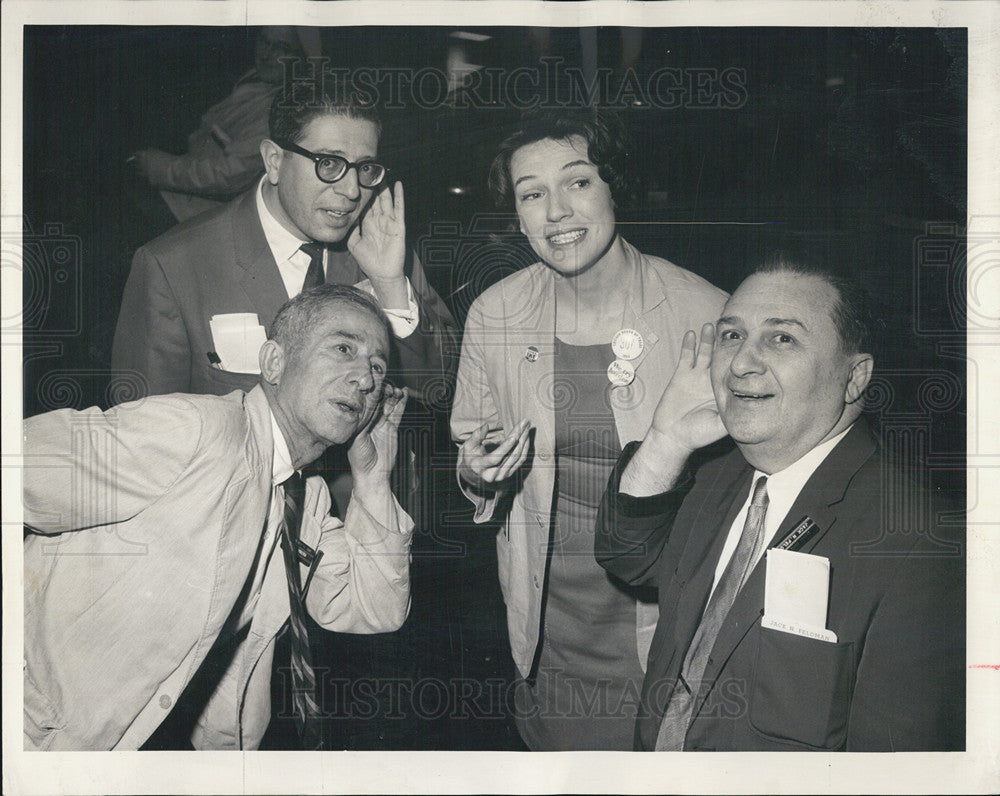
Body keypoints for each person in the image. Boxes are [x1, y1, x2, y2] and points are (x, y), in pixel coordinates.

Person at [595, 259, 965, 751]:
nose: (742, 362)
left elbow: (890, 767)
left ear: (854, 378)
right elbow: (626, 558)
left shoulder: (918, 543)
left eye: (782, 338)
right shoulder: (715, 472)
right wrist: (665, 439)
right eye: (731, 336)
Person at [23, 284, 414, 751]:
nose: (365, 380)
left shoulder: (303, 498)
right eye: (343, 349)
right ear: (274, 363)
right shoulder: (197, 432)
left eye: (377, 366)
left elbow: (375, 610)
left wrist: (372, 475)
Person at [450, 109, 728, 750]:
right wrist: (475, 470)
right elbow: (470, 448)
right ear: (516, 214)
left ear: (612, 187)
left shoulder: (705, 313)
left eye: (577, 183)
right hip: (549, 628)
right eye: (531, 194)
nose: (556, 213)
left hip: (668, 623)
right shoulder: (494, 315)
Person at [112, 85, 457, 405]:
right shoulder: (172, 266)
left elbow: (439, 385)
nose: (353, 191)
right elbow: (144, 436)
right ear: (274, 161)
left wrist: (389, 287)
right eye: (330, 164)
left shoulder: (381, 248)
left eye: (365, 168)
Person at [129, 26, 313, 224]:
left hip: (196, 213)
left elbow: (228, 176)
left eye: (282, 48)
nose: (266, 54)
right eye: (264, 41)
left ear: (301, 59)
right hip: (186, 187)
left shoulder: (281, 109)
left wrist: (159, 168)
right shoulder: (260, 78)